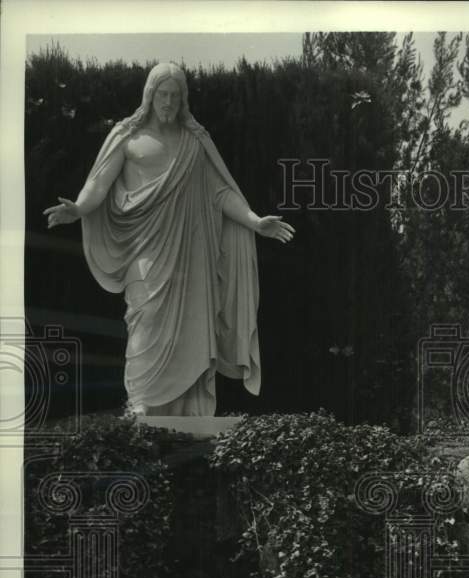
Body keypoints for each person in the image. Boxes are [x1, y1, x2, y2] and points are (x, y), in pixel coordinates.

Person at [43, 62, 294, 417]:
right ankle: (142, 402)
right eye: (163, 94)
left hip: (191, 254)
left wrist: (254, 221)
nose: (169, 102)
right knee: (144, 317)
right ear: (150, 95)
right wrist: (80, 207)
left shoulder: (194, 142)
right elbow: (99, 182)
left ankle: (192, 407)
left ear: (183, 99)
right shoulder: (127, 137)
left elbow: (220, 192)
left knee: (193, 326)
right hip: (144, 248)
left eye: (175, 95)